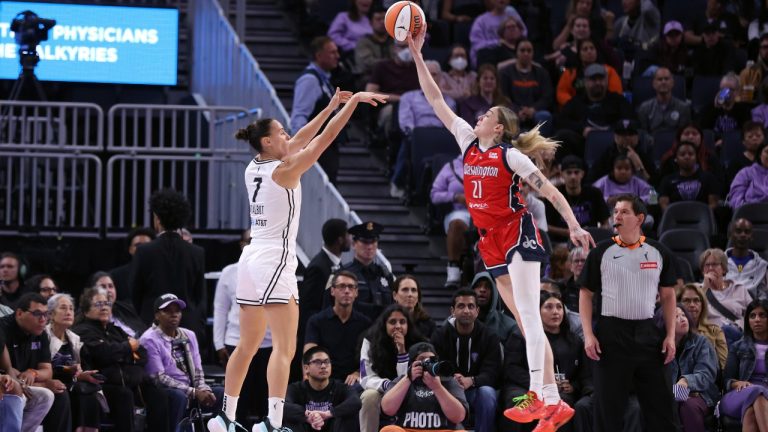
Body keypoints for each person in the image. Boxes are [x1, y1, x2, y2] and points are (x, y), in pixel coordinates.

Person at [407, 25, 595, 431]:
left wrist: (575, 226)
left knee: (529, 313)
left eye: (486, 115)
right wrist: (417, 53)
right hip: (489, 240)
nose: (478, 115)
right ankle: (554, 403)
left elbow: (548, 193)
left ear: (498, 128)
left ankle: (539, 396)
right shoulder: (466, 141)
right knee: (527, 325)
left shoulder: (511, 157)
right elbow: (435, 98)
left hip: (518, 232)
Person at [208, 88, 385, 432]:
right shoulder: (284, 172)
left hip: (250, 259)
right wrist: (351, 105)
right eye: (281, 133)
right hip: (274, 258)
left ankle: (224, 417)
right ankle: (271, 424)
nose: (288, 135)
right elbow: (325, 139)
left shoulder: (255, 166)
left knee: (246, 345)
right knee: (285, 348)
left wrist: (330, 105)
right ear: (269, 142)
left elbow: (304, 137)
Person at [579, 194, 679, 431]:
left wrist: (671, 335)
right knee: (607, 411)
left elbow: (668, 295)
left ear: (639, 218)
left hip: (648, 333)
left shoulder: (658, 251)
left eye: (624, 211)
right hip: (610, 335)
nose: (617, 216)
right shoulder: (601, 251)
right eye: (615, 212)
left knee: (662, 408)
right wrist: (588, 335)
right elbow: (585, 294)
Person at [72, 287, 169, 432]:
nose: (104, 307)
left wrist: (121, 353)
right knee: (124, 395)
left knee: (159, 394)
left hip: (131, 382)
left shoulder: (115, 330)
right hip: (103, 385)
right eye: (98, 304)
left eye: (107, 304)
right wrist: (127, 349)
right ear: (86, 310)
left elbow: (142, 354)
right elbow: (102, 353)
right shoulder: (82, 330)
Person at [500, 291, 592, 432]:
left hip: (560, 390)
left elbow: (583, 374)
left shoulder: (575, 341)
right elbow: (512, 369)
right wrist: (541, 385)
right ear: (537, 312)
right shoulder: (519, 336)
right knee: (518, 401)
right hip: (524, 387)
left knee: (563, 403)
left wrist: (574, 386)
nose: (555, 312)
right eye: (548, 307)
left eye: (559, 307)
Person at [130, 189, 207, 342]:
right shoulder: (197, 252)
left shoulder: (144, 251)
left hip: (152, 325)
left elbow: (135, 293)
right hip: (187, 327)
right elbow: (200, 297)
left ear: (157, 219)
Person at [213, 229, 272, 428]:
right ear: (241, 244)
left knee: (266, 402)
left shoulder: (274, 271)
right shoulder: (229, 272)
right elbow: (220, 308)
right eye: (249, 241)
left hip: (268, 344)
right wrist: (218, 343)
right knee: (239, 400)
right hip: (236, 342)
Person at [141, 293, 224, 430]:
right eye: (167, 311)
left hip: (191, 390)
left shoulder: (189, 335)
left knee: (220, 393)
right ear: (156, 315)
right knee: (179, 397)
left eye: (177, 311)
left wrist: (203, 389)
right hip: (166, 391)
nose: (174, 314)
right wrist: (193, 392)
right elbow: (158, 377)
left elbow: (198, 369)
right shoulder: (149, 339)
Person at [430, 290, 501, 432]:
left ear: (477, 311)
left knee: (487, 393)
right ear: (452, 311)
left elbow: (493, 373)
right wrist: (451, 380)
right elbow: (434, 367)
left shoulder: (489, 336)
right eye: (461, 306)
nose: (466, 310)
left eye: (471, 306)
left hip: (476, 390)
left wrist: (471, 380)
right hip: (448, 390)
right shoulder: (439, 335)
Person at [359, 304, 426, 432]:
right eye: (392, 322)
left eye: (402, 322)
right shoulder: (370, 341)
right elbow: (365, 377)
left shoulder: (418, 342)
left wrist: (402, 351)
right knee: (369, 396)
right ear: (384, 324)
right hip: (381, 388)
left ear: (408, 325)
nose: (398, 326)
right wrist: (387, 385)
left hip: (410, 389)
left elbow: (406, 378)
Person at [0, 293, 60, 432]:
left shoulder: (40, 333)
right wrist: (13, 376)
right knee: (16, 391)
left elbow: (47, 371)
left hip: (18, 382)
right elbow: (7, 369)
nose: (43, 320)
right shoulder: (3, 327)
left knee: (47, 396)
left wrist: (32, 373)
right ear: (20, 313)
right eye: (37, 314)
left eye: (46, 314)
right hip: (8, 382)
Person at [379, 342, 469, 432]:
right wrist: (408, 378)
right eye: (422, 359)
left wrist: (438, 388)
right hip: (407, 429)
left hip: (443, 430)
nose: (428, 363)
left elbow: (459, 416)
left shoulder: (448, 381)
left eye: (431, 359)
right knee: (388, 430)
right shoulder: (402, 380)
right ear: (412, 363)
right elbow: (387, 409)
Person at [45, 293, 103, 432]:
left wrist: (82, 374)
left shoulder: (74, 338)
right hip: (50, 381)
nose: (69, 312)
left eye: (71, 308)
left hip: (70, 382)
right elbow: (42, 366)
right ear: (51, 314)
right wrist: (67, 370)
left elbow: (77, 369)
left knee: (90, 393)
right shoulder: (44, 335)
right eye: (63, 308)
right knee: (73, 392)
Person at [290, 37, 344, 183]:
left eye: (337, 52)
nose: (337, 56)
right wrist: (301, 147)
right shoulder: (309, 80)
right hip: (315, 147)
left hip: (324, 145)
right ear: (319, 55)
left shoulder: (324, 79)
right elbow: (299, 115)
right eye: (332, 52)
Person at [305, 271, 372, 386]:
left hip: (353, 381)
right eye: (341, 286)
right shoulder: (316, 321)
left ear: (356, 292)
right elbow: (309, 353)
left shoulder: (365, 323)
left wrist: (358, 373)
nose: (346, 291)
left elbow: (370, 356)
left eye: (351, 287)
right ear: (332, 291)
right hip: (323, 378)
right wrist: (308, 377)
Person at [661, 304, 720, 432]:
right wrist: (676, 391)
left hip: (702, 395)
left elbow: (706, 375)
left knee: (687, 405)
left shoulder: (701, 342)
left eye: (683, 315)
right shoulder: (660, 348)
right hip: (672, 394)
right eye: (676, 316)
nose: (682, 319)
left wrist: (686, 382)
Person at [284, 347, 361, 432]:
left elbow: (356, 401)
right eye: (318, 362)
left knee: (348, 413)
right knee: (291, 415)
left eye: (326, 362)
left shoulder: (341, 387)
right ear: (306, 368)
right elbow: (283, 405)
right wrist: (307, 416)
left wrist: (330, 413)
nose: (323, 366)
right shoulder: (295, 388)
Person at [719, 299, 768, 428]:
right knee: (757, 391)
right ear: (748, 321)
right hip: (739, 394)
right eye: (752, 316)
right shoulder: (737, 347)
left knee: (751, 413)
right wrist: (737, 382)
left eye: (762, 315)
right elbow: (726, 380)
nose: (757, 319)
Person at [544, 155, 610, 245]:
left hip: (590, 241)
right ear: (562, 174)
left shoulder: (594, 193)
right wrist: (569, 232)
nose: (573, 177)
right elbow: (546, 226)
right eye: (569, 172)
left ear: (582, 174)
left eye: (576, 172)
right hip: (561, 243)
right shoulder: (553, 194)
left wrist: (593, 233)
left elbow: (605, 223)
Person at [338, 221, 395, 319]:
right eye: (364, 242)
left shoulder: (384, 274)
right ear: (354, 244)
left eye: (373, 241)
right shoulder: (344, 274)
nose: (369, 247)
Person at [301, 219, 349, 331]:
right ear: (340, 240)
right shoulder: (317, 267)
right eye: (348, 235)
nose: (350, 239)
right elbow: (308, 308)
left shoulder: (338, 264)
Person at [430, 154, 470, 285]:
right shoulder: (451, 167)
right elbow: (434, 194)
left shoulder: (490, 166)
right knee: (457, 223)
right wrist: (455, 197)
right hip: (459, 211)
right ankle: (453, 266)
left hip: (484, 211)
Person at [498, 40, 554, 134]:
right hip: (514, 111)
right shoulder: (506, 73)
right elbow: (504, 97)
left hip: (536, 111)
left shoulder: (542, 73)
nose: (526, 53)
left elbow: (547, 97)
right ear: (516, 53)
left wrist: (533, 109)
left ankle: (539, 147)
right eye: (522, 50)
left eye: (529, 50)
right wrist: (518, 111)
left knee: (545, 116)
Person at [700, 248, 752, 345]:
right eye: (707, 265)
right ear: (703, 270)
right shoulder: (697, 290)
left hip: (737, 334)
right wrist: (705, 288)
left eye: (714, 264)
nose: (710, 268)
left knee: (728, 331)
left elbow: (753, 312)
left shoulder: (739, 289)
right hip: (711, 336)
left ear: (723, 269)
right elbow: (691, 314)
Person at [555, 39, 622, 108]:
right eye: (585, 49)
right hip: (576, 109)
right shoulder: (570, 73)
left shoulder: (609, 71)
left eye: (592, 48)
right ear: (579, 54)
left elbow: (616, 93)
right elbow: (561, 93)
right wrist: (574, 105)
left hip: (604, 108)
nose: (589, 51)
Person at [587, 118, 657, 184]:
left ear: (637, 136)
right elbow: (592, 180)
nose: (626, 137)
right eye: (622, 134)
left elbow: (653, 186)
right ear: (615, 137)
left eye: (630, 134)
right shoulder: (607, 155)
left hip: (637, 194)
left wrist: (638, 165)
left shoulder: (644, 154)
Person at [658, 141, 721, 212]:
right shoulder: (667, 180)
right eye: (682, 154)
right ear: (676, 159)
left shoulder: (709, 178)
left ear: (696, 158)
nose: (687, 157)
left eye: (690, 154)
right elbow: (664, 206)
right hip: (675, 219)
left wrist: (695, 215)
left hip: (702, 219)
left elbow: (713, 204)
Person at [678, 283, 728, 370]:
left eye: (696, 300)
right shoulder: (672, 332)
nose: (692, 305)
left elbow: (723, 367)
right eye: (686, 300)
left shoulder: (714, 331)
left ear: (703, 304)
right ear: (678, 304)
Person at [89, 271, 146, 338]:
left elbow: (143, 330)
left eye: (111, 286)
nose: (108, 290)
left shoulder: (125, 307)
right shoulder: (91, 316)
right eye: (103, 287)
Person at [636, 67, 692, 134]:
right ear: (654, 84)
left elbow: (684, 134)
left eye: (666, 79)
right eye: (660, 79)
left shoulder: (683, 108)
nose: (663, 82)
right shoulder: (644, 108)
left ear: (672, 83)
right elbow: (643, 135)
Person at [471, 271, 519, 343]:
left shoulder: (509, 326)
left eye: (487, 287)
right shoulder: (456, 322)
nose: (482, 290)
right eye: (478, 286)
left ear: (494, 292)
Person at [109, 227, 155, 302]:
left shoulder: (162, 274)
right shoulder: (115, 276)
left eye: (147, 245)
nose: (142, 248)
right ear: (130, 249)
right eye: (138, 245)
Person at [353, 5, 393, 90]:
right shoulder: (363, 42)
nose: (382, 22)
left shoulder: (395, 41)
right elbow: (367, 64)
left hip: (394, 76)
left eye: (385, 19)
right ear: (371, 23)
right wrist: (392, 63)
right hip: (369, 79)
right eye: (378, 19)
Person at [726, 218, 768, 299]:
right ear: (730, 235)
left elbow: (763, 295)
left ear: (751, 237)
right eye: (738, 231)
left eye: (747, 232)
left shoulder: (761, 266)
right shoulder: (719, 263)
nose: (743, 235)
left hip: (752, 308)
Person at [728, 142, 768, 208]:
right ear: (760, 154)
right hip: (749, 215)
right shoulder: (745, 173)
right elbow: (736, 199)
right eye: (767, 152)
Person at [727, 121, 765, 186]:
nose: (754, 138)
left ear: (764, 139)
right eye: (750, 136)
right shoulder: (736, 162)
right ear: (743, 142)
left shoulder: (766, 161)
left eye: (758, 136)